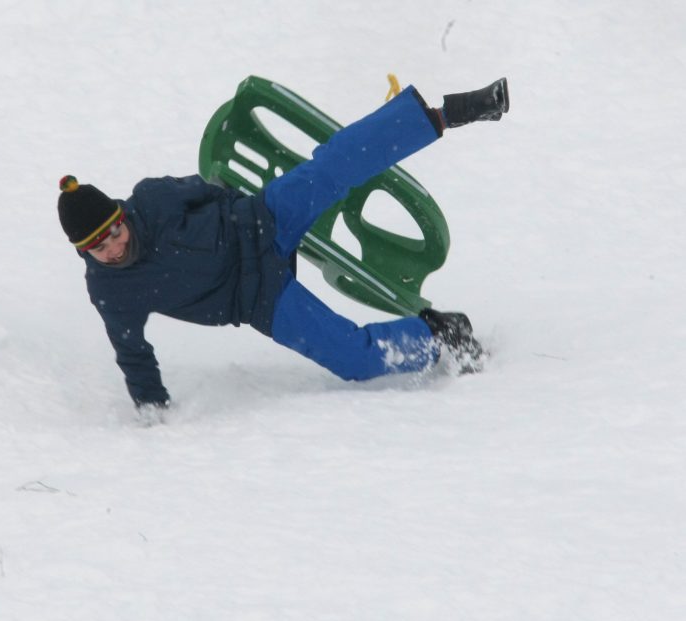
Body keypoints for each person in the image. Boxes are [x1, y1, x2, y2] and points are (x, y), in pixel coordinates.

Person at [57, 78, 509, 411]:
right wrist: (151, 406)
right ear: (86, 254)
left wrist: (242, 211)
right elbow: (132, 350)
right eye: (100, 247)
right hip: (257, 299)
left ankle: (445, 114)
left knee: (332, 167)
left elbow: (208, 187)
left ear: (120, 215)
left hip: (260, 222)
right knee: (352, 357)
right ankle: (441, 336)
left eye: (115, 231)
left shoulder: (152, 199)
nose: (114, 247)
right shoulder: (110, 292)